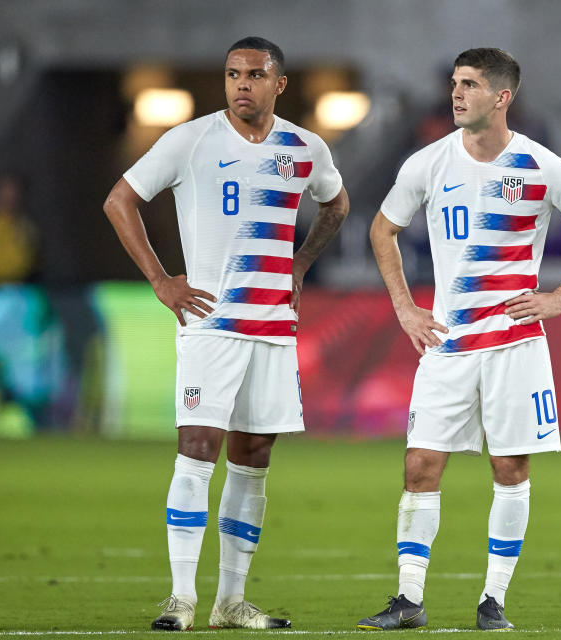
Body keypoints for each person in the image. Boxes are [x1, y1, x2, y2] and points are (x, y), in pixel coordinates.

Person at [360, 48, 561, 631]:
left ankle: (493, 601)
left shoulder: (540, 165)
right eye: (455, 83)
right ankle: (408, 601)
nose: (456, 94)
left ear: (502, 97)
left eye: (471, 85)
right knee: (421, 465)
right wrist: (405, 308)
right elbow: (383, 228)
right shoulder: (428, 163)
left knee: (509, 468)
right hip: (447, 345)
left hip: (515, 346)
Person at [102, 37, 348, 631]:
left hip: (273, 329)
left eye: (255, 75)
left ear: (279, 85)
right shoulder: (192, 140)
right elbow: (119, 201)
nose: (242, 84)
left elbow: (336, 206)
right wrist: (162, 280)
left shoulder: (304, 146)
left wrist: (301, 264)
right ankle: (181, 598)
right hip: (210, 324)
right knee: (197, 449)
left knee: (254, 457)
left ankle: (230, 601)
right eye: (233, 73)